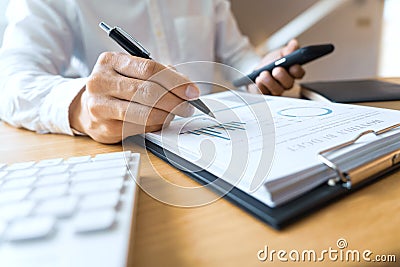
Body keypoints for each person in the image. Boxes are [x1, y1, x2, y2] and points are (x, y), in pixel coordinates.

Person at [0, 0, 305, 144]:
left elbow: (238, 56)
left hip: (212, 141)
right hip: (122, 154)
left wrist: (264, 71)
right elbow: (11, 81)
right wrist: (82, 106)